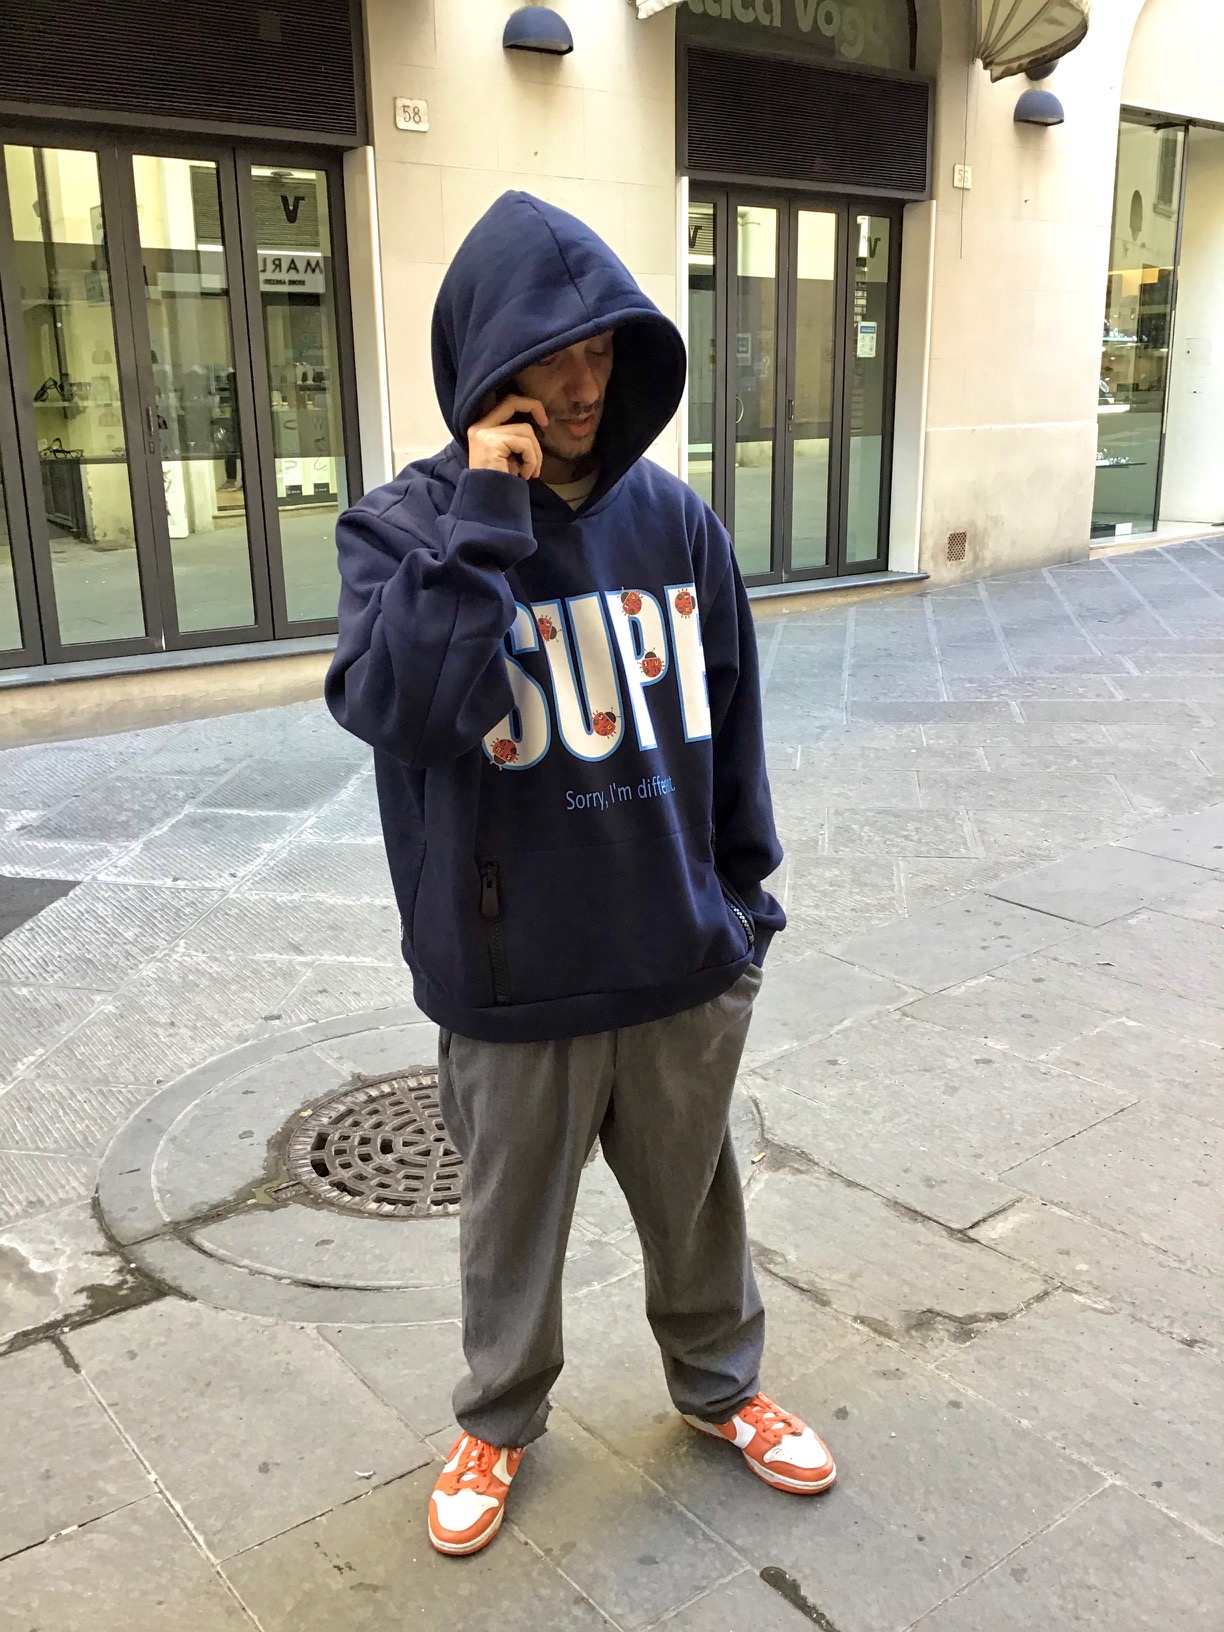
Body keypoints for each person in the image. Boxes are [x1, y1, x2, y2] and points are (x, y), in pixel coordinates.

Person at [326, 192, 836, 1558]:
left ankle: (721, 1386)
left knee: (699, 1203)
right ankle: (497, 1422)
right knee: (508, 1229)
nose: (581, 386)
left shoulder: (675, 522)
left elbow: (733, 724)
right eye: (550, 358)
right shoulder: (401, 532)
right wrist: (488, 518)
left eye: (601, 352)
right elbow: (406, 711)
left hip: (677, 958)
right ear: (485, 362)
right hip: (512, 977)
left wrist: (741, 914)